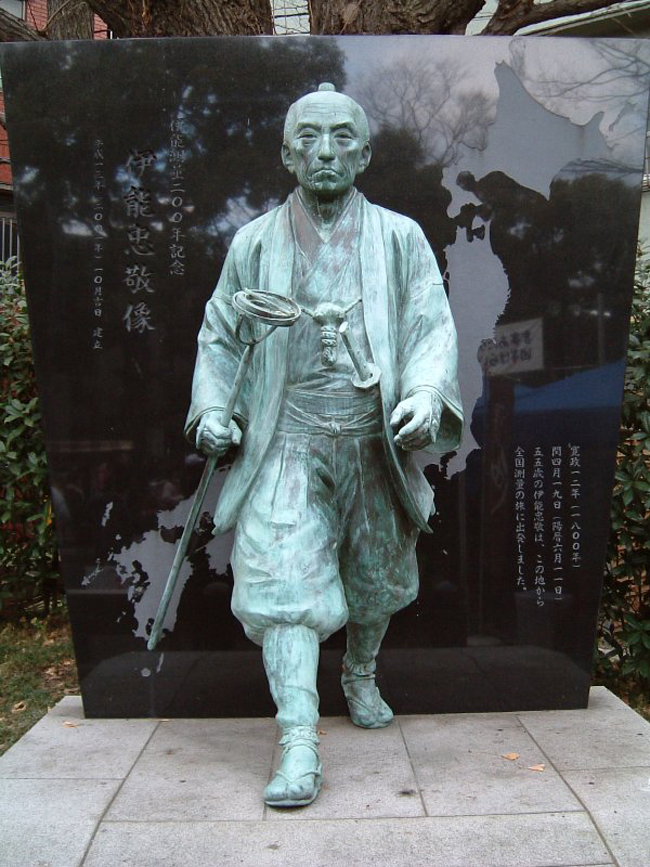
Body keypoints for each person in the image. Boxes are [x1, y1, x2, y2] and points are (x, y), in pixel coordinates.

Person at [185, 83, 463, 808]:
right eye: (308, 137)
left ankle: (360, 671)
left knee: (374, 577)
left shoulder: (399, 238)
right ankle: (298, 738)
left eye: (343, 136)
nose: (326, 150)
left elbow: (432, 325)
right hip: (287, 434)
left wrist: (426, 395)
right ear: (286, 153)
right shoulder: (253, 243)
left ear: (365, 152)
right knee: (283, 582)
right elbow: (219, 335)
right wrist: (213, 408)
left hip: (372, 432)